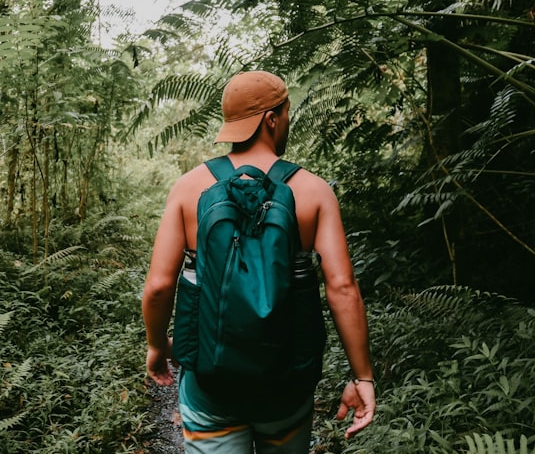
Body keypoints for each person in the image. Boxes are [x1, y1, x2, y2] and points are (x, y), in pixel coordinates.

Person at [142, 70, 375, 453]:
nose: (286, 120)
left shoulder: (188, 189)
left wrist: (156, 346)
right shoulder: (313, 192)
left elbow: (159, 287)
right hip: (285, 385)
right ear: (272, 118)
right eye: (285, 113)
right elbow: (342, 288)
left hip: (210, 386)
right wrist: (362, 376)